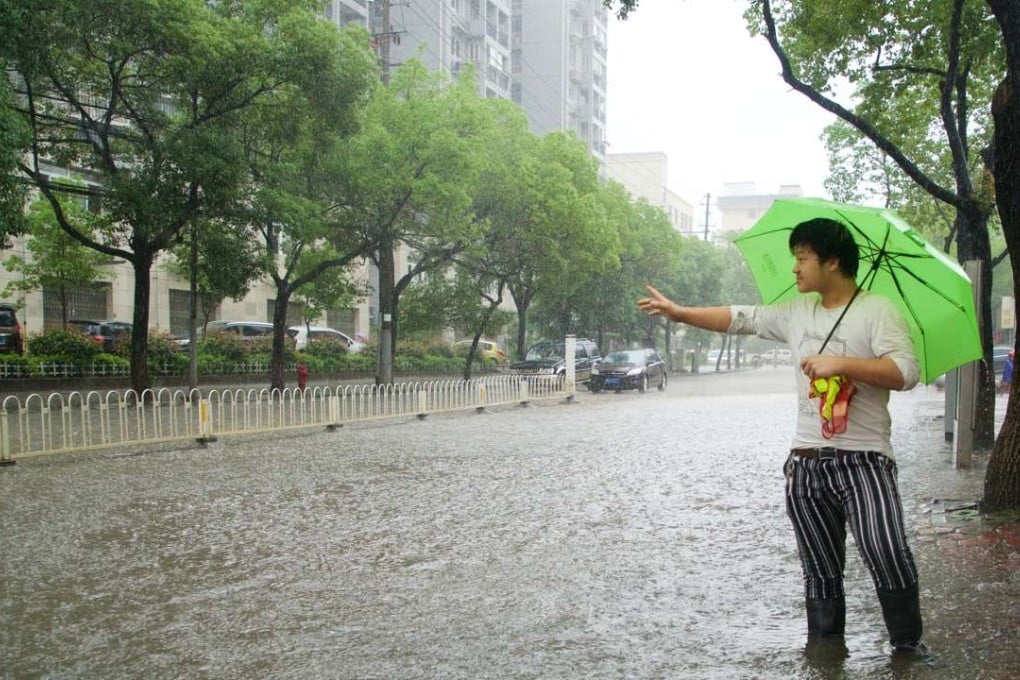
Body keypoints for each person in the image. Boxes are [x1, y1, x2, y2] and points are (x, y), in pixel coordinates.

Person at [637, 217, 929, 659]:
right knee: (820, 571)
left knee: (885, 549)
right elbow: (741, 318)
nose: (795, 269)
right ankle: (826, 656)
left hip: (865, 459)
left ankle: (907, 647)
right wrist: (680, 313)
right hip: (807, 461)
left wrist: (842, 364)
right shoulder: (796, 312)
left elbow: (906, 373)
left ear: (832, 261)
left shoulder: (879, 310)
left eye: (802, 259)